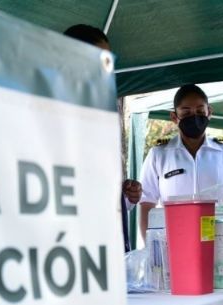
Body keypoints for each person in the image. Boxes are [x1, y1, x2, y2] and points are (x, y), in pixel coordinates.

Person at [137, 84, 223, 240]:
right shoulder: (158, 155)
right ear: (174, 117)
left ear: (209, 113)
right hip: (173, 245)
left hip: (218, 244)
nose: (194, 117)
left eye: (200, 111)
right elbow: (146, 204)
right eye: (186, 112)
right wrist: (151, 248)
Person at [63, 24, 142, 251]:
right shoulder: (51, 106)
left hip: (109, 248)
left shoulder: (101, 109)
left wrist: (126, 196)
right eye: (99, 59)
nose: (106, 68)